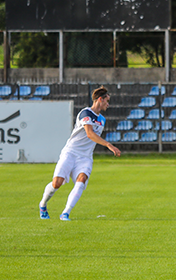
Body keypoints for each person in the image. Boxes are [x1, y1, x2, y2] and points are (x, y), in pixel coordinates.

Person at [37, 86, 121, 221]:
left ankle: (65, 213)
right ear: (100, 99)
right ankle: (43, 204)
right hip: (70, 152)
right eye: (107, 100)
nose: (108, 104)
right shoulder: (85, 113)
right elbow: (89, 134)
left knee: (81, 180)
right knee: (57, 183)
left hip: (85, 157)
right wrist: (109, 145)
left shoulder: (102, 120)